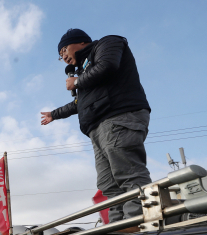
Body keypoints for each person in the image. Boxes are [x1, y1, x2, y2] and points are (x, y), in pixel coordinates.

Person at [41, 28, 152, 224]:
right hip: (97, 128)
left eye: (64, 50)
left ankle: (141, 222)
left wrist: (77, 81)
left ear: (81, 42)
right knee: (108, 184)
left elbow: (108, 65)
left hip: (118, 116)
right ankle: (119, 227)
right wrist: (54, 114)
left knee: (128, 173)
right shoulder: (84, 72)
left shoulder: (107, 43)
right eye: (60, 55)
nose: (64, 56)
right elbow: (79, 103)